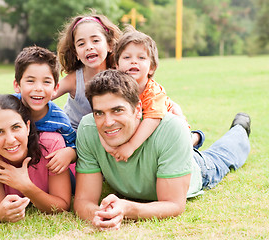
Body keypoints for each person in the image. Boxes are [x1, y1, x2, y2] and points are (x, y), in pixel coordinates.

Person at [74, 69, 251, 230]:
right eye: (99, 113)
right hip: (162, 161)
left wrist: (128, 208)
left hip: (195, 169)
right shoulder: (88, 128)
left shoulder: (171, 128)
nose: (108, 122)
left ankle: (239, 130)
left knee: (223, 156)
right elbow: (83, 201)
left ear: (137, 110)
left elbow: (173, 204)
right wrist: (100, 216)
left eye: (117, 110)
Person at [0, 46, 77, 195]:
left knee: (71, 186)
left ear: (55, 88)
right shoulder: (5, 109)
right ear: (17, 85)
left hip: (38, 165)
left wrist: (70, 153)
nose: (38, 88)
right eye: (30, 81)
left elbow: (76, 146)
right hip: (6, 157)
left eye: (46, 82)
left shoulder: (60, 121)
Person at [99, 27, 204, 161]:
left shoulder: (153, 91)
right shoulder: (114, 87)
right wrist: (108, 147)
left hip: (167, 135)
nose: (133, 61)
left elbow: (152, 119)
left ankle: (195, 138)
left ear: (152, 67)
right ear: (117, 65)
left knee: (183, 137)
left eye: (141, 57)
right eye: (127, 57)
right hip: (141, 136)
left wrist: (131, 146)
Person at [0, 94, 71, 222]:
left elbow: (62, 206)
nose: (10, 140)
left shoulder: (51, 144)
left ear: (27, 127)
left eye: (16, 127)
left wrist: (24, 185)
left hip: (35, 179)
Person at [54, 12, 121, 130]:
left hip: (108, 131)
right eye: (81, 44)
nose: (89, 47)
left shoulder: (119, 75)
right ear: (76, 53)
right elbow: (46, 94)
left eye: (95, 41)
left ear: (109, 45)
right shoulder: (74, 80)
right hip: (75, 135)